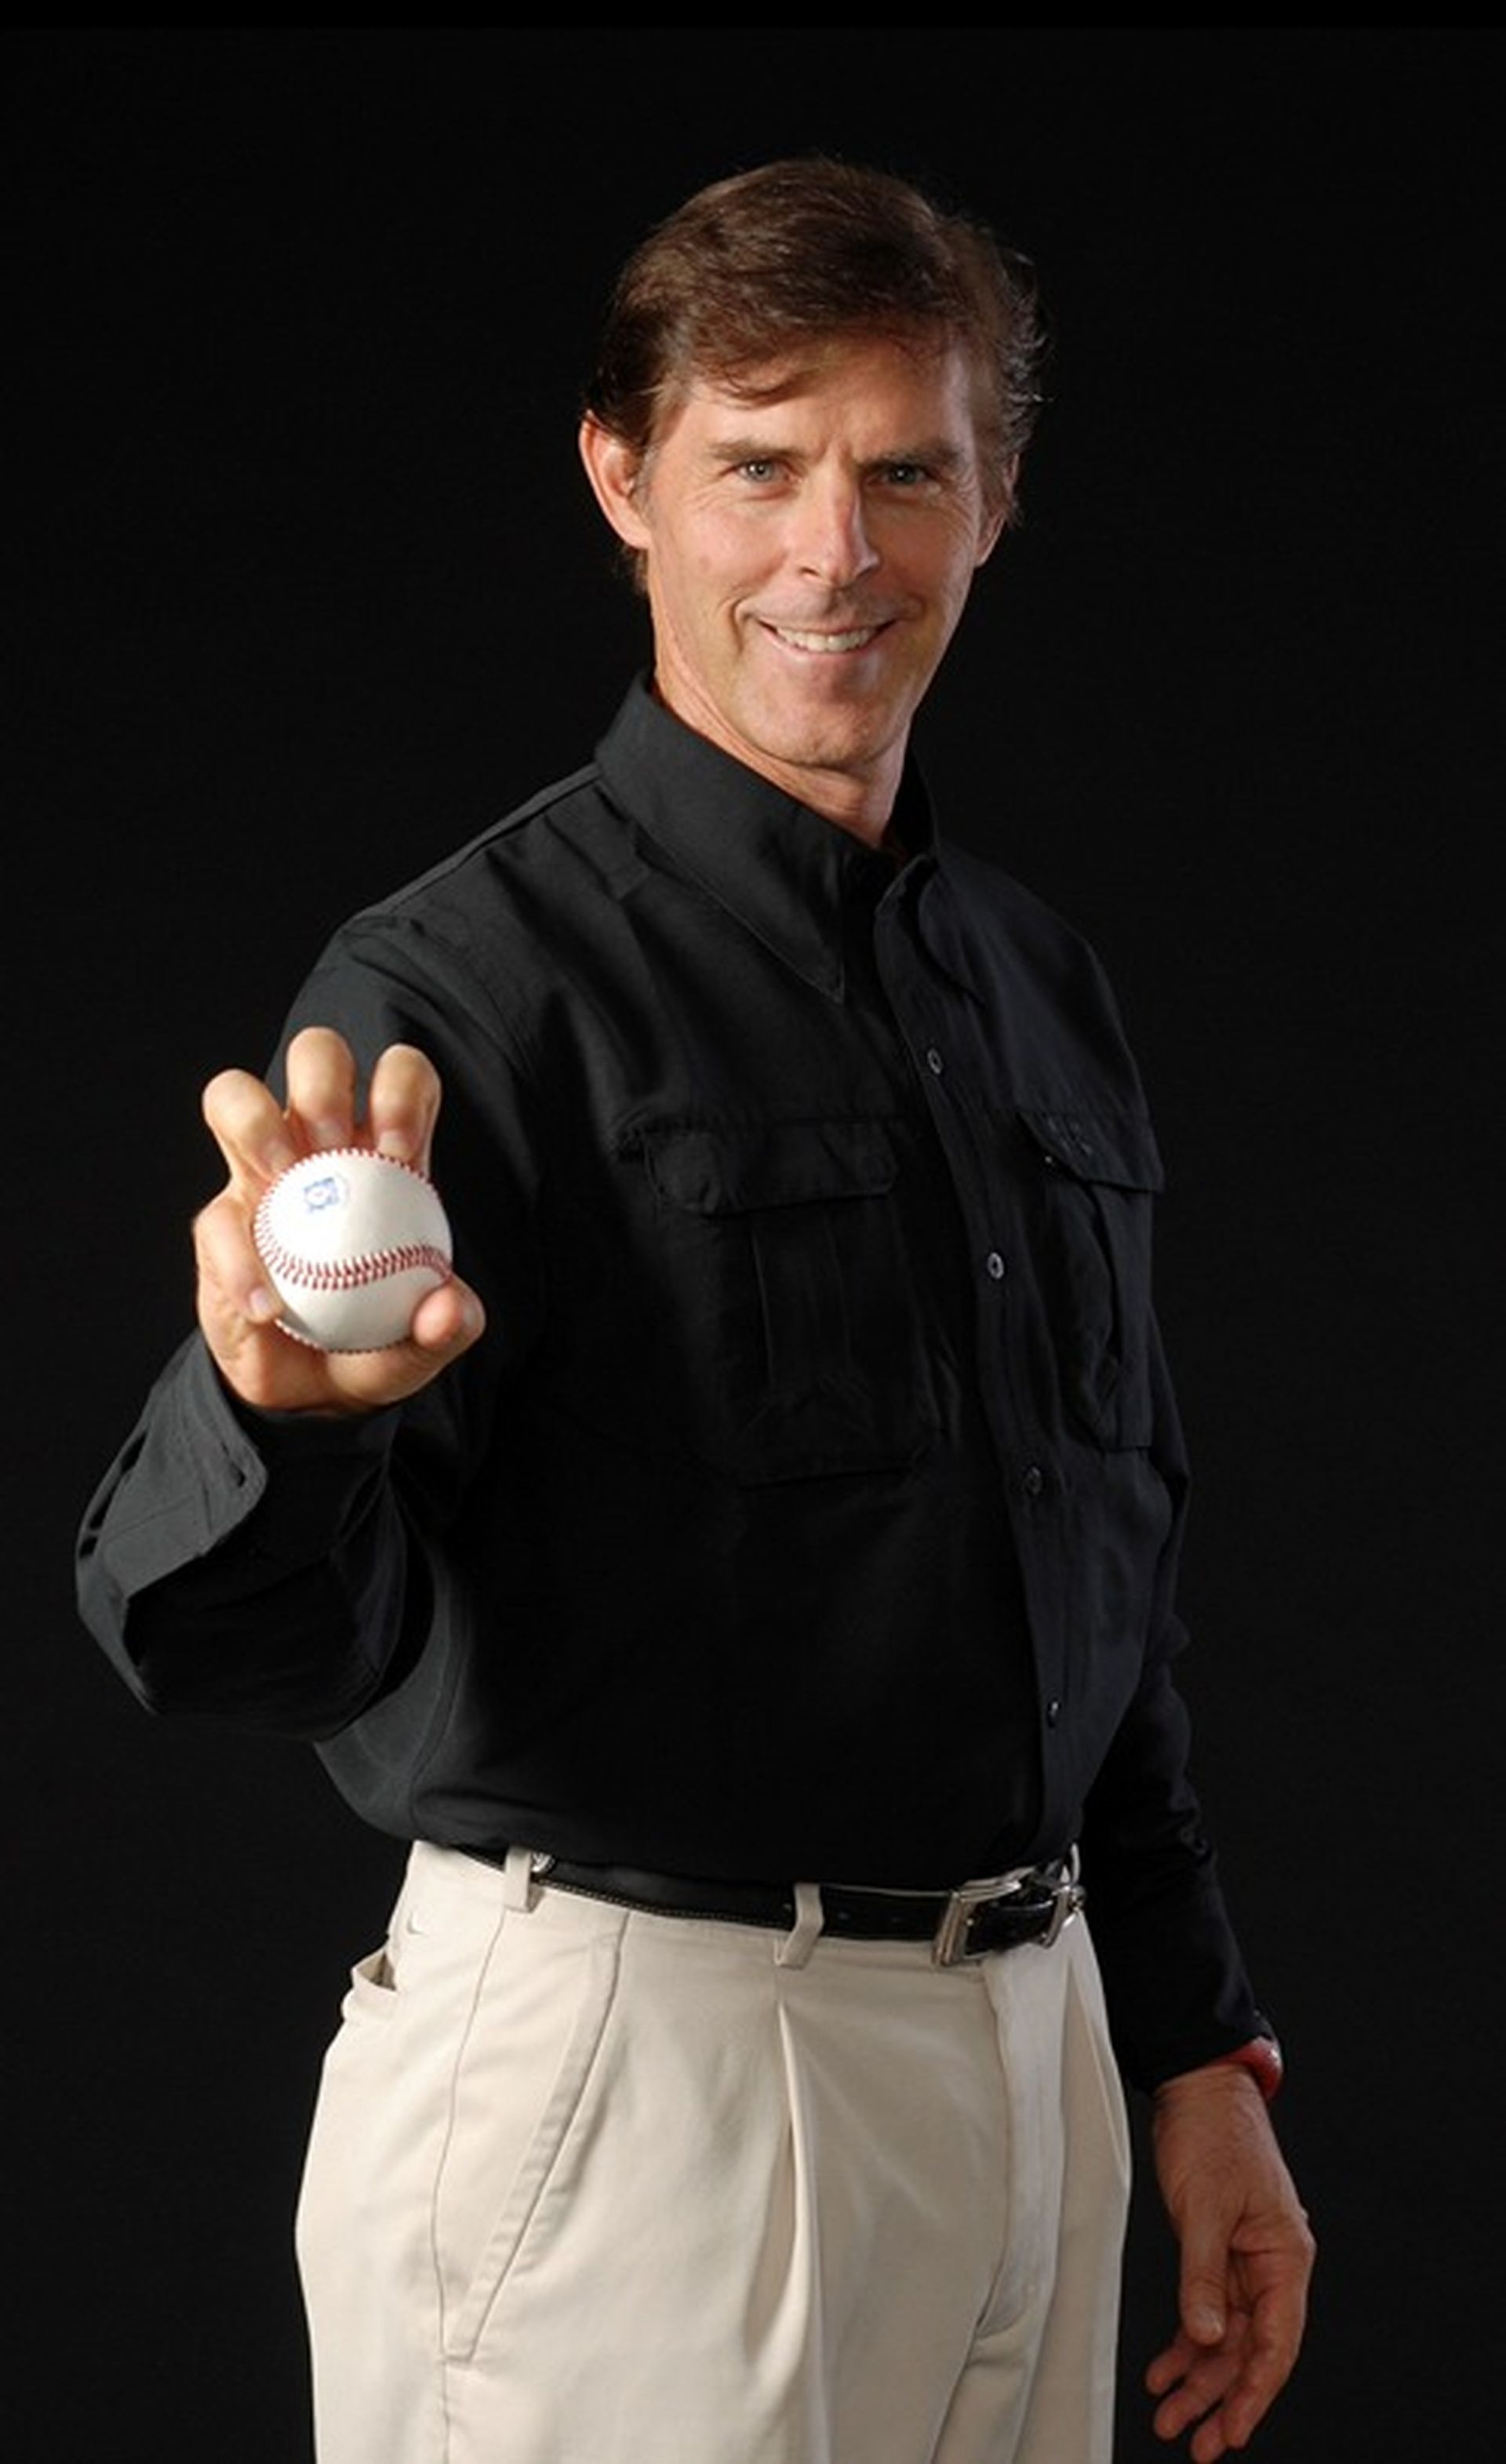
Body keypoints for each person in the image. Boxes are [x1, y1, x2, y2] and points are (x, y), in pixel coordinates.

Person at [76, 155, 1314, 2464]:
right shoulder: (465, 992)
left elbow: (1095, 1598)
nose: (835, 554)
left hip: (1026, 2065)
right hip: (654, 2095)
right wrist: (284, 1409)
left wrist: (1189, 2051)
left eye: (903, 473)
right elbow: (219, 1642)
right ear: (625, 481)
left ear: (995, 497)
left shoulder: (1038, 993)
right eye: (762, 466)